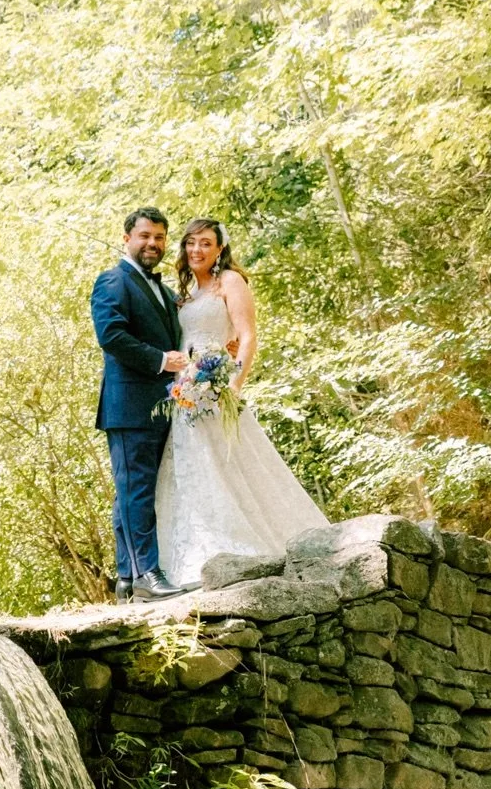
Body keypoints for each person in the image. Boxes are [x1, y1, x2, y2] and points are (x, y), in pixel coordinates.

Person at [155, 217, 327, 587]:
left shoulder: (230, 282)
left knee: (231, 465)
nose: (196, 250)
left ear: (219, 249)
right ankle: (192, 556)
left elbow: (247, 337)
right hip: (184, 392)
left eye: (205, 243)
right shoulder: (183, 294)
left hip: (217, 388)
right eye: (191, 243)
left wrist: (233, 385)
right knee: (191, 467)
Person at [91, 207, 187, 600]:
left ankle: (128, 578)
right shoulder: (112, 281)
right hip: (129, 405)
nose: (153, 244)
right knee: (136, 491)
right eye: (145, 236)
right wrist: (162, 360)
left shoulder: (164, 292)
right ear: (127, 238)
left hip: (164, 406)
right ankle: (147, 572)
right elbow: (111, 336)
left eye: (160, 237)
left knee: (134, 491)